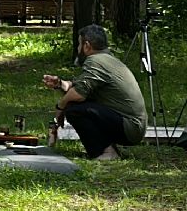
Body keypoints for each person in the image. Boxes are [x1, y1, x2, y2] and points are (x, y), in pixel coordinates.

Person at [44, 24, 147, 160]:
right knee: (77, 104)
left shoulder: (95, 61)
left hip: (130, 128)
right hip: (134, 126)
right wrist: (59, 83)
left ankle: (106, 153)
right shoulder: (107, 59)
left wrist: (60, 107)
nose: (78, 48)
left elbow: (78, 94)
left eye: (79, 44)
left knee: (74, 109)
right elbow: (79, 86)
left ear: (87, 45)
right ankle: (109, 147)